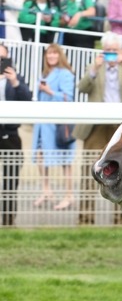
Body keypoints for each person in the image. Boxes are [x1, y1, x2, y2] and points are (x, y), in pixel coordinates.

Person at [76, 32, 122, 225]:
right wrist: (93, 70)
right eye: (107, 50)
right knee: (89, 170)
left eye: (114, 51)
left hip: (121, 127)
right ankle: (85, 217)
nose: (110, 54)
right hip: (96, 126)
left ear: (121, 51)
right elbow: (81, 88)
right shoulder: (94, 67)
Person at [31, 44, 76, 211]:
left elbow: (68, 97)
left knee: (65, 160)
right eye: (49, 53)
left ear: (60, 55)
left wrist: (49, 91)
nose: (51, 56)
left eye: (54, 53)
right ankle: (46, 190)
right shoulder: (45, 73)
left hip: (58, 124)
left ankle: (69, 195)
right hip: (43, 123)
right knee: (41, 155)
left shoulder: (65, 74)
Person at [0, 43, 32, 226]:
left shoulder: (16, 78)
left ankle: (8, 219)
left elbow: (27, 99)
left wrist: (15, 83)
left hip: (11, 134)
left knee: (11, 178)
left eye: (3, 58)